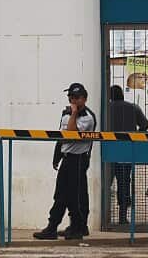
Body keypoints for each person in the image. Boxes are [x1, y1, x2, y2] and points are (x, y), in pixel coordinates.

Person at [34, 83, 97, 240]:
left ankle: (78, 227)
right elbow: (62, 137)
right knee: (61, 194)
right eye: (70, 97)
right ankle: (54, 227)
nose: (73, 100)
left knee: (76, 196)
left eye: (76, 97)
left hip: (79, 159)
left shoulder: (87, 118)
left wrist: (74, 114)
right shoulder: (66, 114)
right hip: (67, 158)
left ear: (84, 98)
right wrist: (57, 155)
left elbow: (71, 134)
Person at [107, 85, 148, 225]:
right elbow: (145, 125)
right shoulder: (133, 107)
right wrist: (136, 136)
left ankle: (104, 217)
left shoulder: (106, 109)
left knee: (106, 182)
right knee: (124, 182)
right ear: (122, 95)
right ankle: (122, 217)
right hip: (126, 150)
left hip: (108, 150)